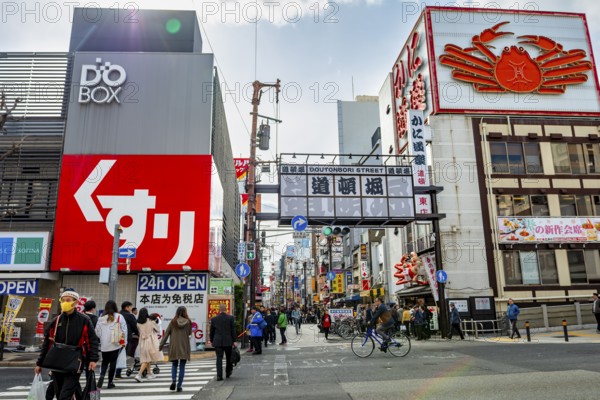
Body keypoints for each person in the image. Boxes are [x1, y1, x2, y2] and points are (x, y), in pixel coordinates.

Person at [35, 288, 99, 400]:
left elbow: (92, 340)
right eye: (63, 300)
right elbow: (47, 342)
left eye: (68, 300)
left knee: (65, 395)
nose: (65, 303)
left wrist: (93, 359)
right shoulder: (56, 320)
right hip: (57, 362)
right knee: (60, 393)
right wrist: (39, 363)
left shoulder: (84, 320)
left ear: (76, 302)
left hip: (75, 362)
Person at [95, 300, 128, 389]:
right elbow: (124, 330)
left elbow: (97, 332)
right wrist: (124, 342)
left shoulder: (101, 318)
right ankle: (110, 382)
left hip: (104, 344)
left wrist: (103, 338)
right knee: (113, 362)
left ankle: (102, 375)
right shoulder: (119, 317)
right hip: (116, 343)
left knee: (104, 362)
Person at [159, 306, 192, 392]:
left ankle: (173, 380)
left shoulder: (173, 322)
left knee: (174, 365)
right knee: (182, 366)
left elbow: (166, 334)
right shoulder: (188, 322)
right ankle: (179, 386)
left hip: (174, 346)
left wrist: (161, 345)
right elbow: (189, 333)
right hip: (184, 346)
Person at [135, 307, 163, 382]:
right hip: (151, 341)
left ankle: (149, 373)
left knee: (147, 357)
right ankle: (139, 375)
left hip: (142, 341)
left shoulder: (138, 323)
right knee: (147, 359)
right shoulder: (150, 321)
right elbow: (157, 329)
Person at [209, 303, 236, 381]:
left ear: (219, 310)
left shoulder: (214, 319)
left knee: (219, 358)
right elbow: (233, 330)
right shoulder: (230, 318)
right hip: (228, 340)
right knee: (228, 357)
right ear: (226, 309)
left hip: (217, 341)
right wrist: (234, 340)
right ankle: (228, 372)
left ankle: (219, 375)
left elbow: (212, 331)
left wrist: (211, 340)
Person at [115, 301, 139, 379]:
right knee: (122, 355)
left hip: (115, 337)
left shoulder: (117, 314)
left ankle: (113, 372)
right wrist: (138, 334)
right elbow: (135, 326)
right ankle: (117, 373)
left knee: (115, 355)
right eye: (130, 307)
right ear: (127, 307)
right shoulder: (130, 316)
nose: (131, 308)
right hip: (125, 338)